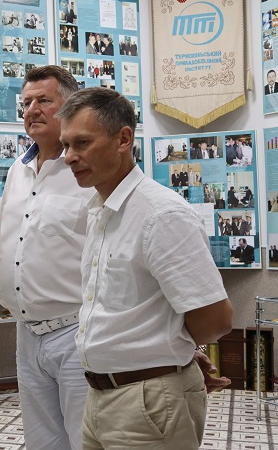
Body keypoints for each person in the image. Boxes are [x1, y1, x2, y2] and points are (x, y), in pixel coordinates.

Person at [57, 87, 232, 449]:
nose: (70, 157)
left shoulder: (161, 215)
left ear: (123, 139)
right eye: (66, 145)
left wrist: (171, 352)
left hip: (148, 400)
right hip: (100, 395)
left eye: (82, 143)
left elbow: (215, 319)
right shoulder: (101, 211)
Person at [0, 65, 92, 450]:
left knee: (85, 439)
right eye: (26, 103)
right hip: (26, 333)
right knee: (43, 441)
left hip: (76, 332)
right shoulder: (16, 171)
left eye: (43, 101)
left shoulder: (86, 171)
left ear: (71, 106)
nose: (32, 110)